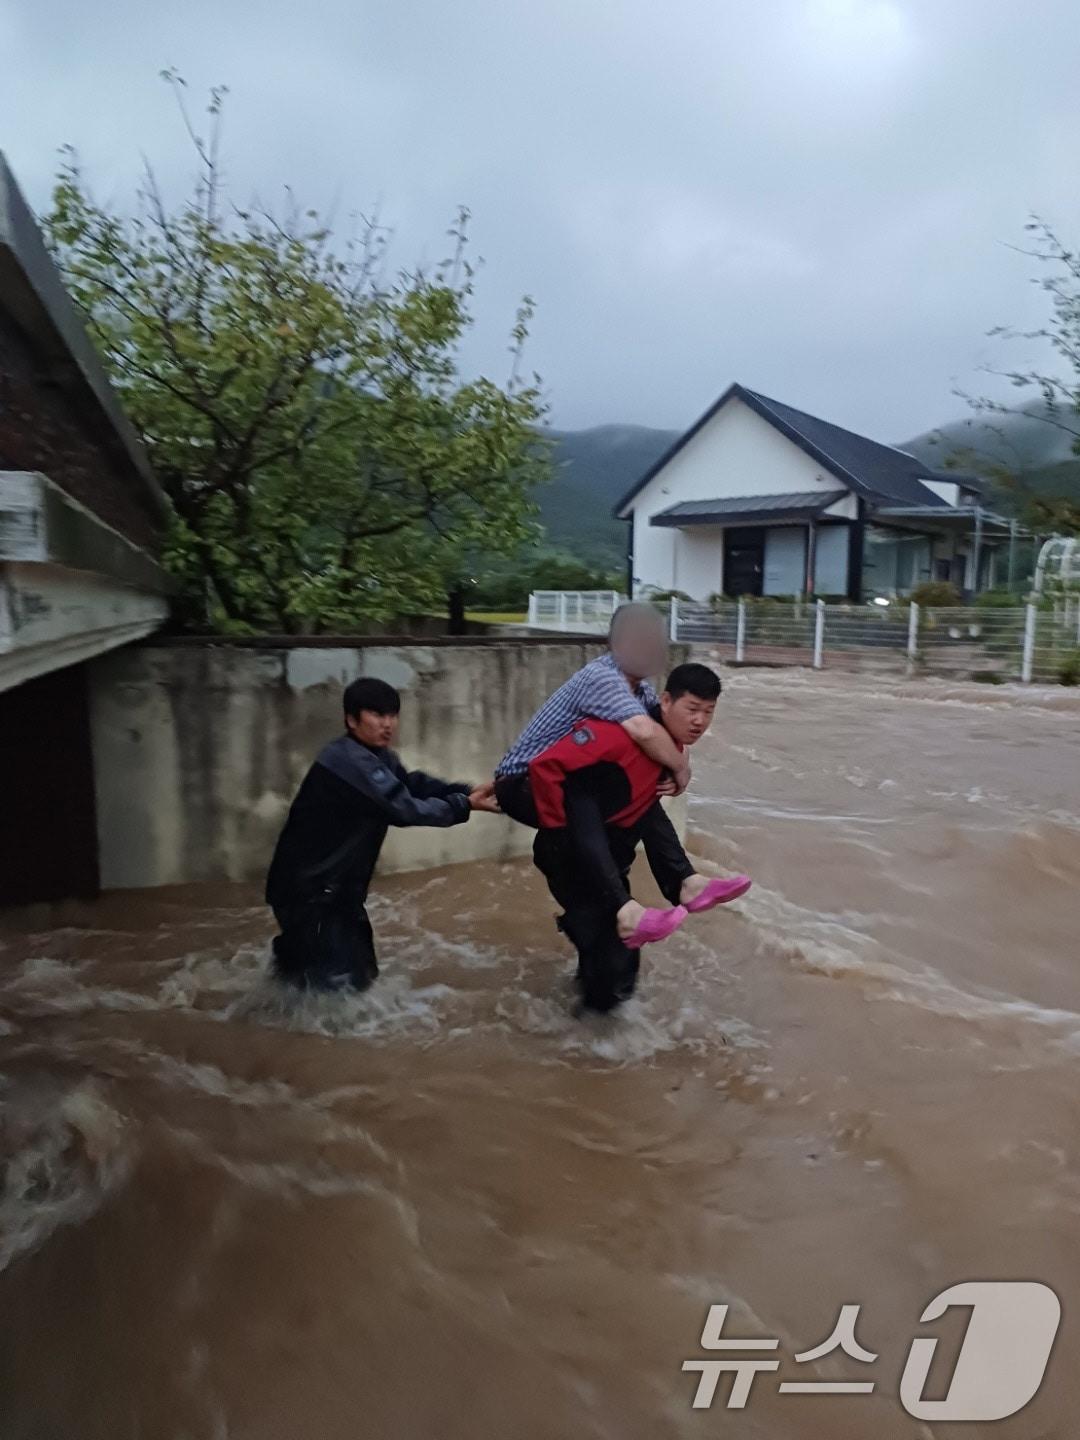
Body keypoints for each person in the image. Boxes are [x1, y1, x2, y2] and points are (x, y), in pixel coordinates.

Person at [524, 663, 750, 1012]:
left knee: (611, 957)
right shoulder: (618, 734)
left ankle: (681, 883)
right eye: (692, 709)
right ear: (666, 701)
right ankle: (587, 1040)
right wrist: (555, 827)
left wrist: (679, 767)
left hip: (609, 862)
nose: (700, 722)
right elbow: (547, 768)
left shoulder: (666, 747)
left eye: (709, 713)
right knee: (613, 960)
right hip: (573, 855)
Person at [265, 676, 499, 992]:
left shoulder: (377, 757)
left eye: (392, 715)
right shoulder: (347, 761)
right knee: (337, 987)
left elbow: (411, 784)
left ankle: (277, 997)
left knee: (357, 975)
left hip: (334, 891)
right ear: (351, 719)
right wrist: (463, 805)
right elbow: (402, 808)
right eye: (377, 715)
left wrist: (465, 791)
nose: (387, 724)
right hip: (310, 893)